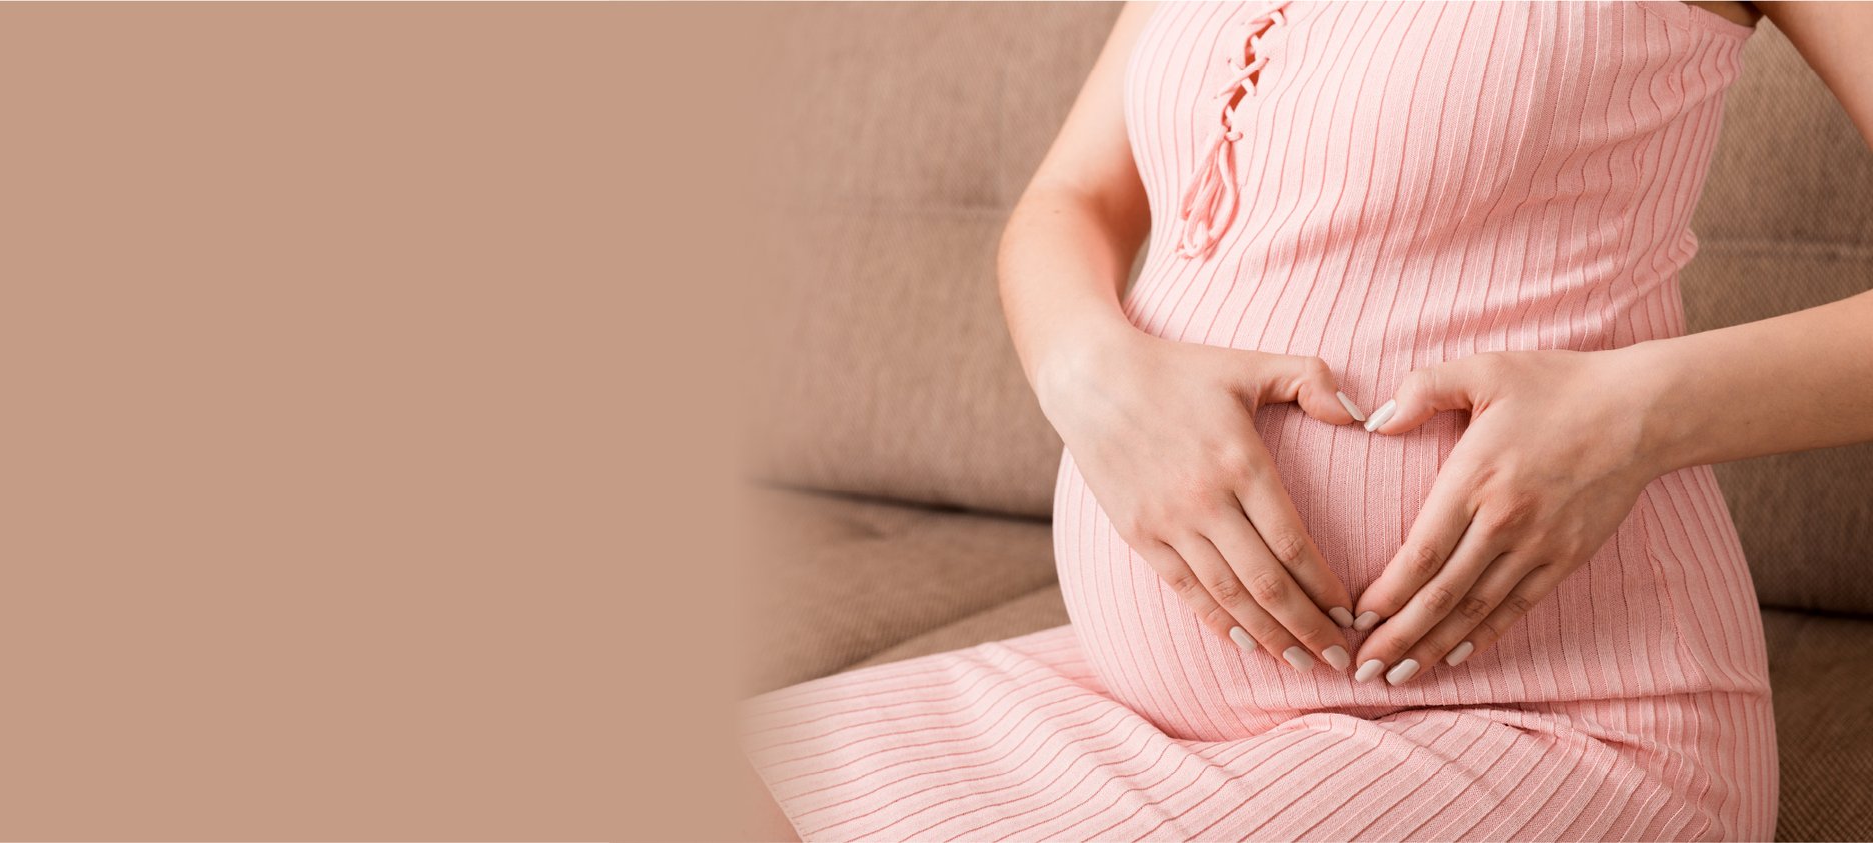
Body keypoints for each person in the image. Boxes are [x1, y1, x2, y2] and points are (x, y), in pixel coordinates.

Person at [740, 1, 1873, 839]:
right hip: (1141, 704)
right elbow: (1068, 201)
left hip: (1559, 718)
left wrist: (1634, 414)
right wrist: (1091, 375)